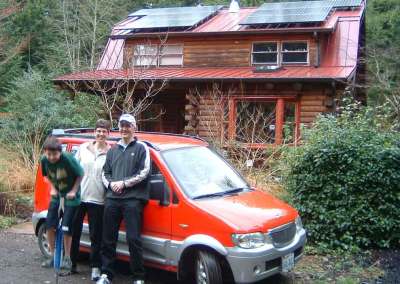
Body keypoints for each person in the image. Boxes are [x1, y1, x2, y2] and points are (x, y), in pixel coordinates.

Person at [97, 114, 151, 284]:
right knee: (108, 238)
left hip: (133, 200)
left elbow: (144, 172)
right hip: (113, 198)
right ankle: (106, 274)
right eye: (121, 126)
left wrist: (124, 184)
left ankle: (138, 277)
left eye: (128, 126)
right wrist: (111, 184)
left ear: (134, 128)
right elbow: (105, 172)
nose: (124, 129)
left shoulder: (142, 148)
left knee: (133, 239)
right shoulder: (112, 150)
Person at [70, 119, 111, 280]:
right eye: (98, 130)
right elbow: (73, 169)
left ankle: (95, 267)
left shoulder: (111, 153)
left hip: (98, 199)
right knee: (74, 231)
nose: (101, 134)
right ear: (95, 132)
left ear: (108, 133)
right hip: (79, 197)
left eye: (104, 131)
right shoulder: (83, 148)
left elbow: (109, 176)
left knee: (96, 235)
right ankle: (71, 262)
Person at [40, 136, 84, 272]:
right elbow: (45, 175)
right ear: (45, 153)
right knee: (49, 225)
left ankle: (67, 258)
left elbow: (81, 174)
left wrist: (74, 190)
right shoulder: (44, 160)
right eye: (49, 154)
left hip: (71, 198)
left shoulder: (68, 159)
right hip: (57, 196)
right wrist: (53, 188)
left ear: (60, 152)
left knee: (66, 227)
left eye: (54, 154)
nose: (51, 157)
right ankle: (53, 256)